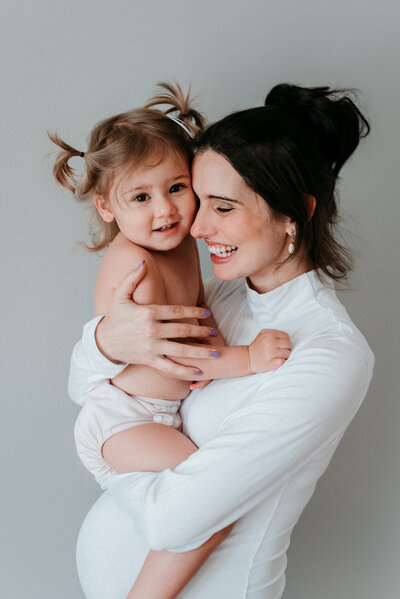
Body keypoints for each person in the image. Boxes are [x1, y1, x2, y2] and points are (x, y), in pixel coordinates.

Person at [68, 83, 374, 599]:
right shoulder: (226, 298)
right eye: (200, 199)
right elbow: (84, 385)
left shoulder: (330, 354)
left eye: (224, 207)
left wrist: (106, 466)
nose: (198, 225)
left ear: (292, 213)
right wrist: (104, 339)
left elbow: (172, 523)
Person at [50, 83, 291, 597]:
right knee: (209, 506)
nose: (165, 210)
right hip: (124, 420)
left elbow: (197, 316)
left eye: (177, 187)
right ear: (106, 207)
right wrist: (246, 357)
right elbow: (178, 354)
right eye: (141, 197)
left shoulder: (181, 245)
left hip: (154, 414)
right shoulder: (133, 263)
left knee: (202, 509)